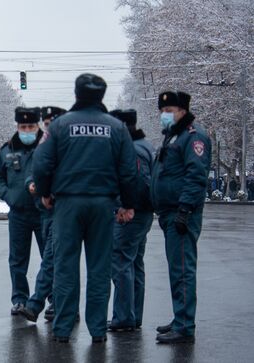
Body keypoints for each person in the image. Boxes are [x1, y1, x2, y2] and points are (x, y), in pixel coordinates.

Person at [32, 73, 137, 343]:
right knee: (99, 268)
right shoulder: (117, 127)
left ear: (76, 93)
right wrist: (127, 204)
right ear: (102, 95)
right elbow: (127, 171)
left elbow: (42, 163)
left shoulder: (59, 126)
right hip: (103, 205)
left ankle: (63, 329)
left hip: (67, 204)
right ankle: (98, 330)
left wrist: (44, 193)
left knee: (66, 267)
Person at [151, 91, 211, 344]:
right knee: (177, 269)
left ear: (182, 111)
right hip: (169, 211)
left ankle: (185, 326)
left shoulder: (193, 137)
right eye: (163, 111)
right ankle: (180, 318)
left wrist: (185, 210)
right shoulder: (174, 136)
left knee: (183, 270)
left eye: (170, 111)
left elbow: (196, 176)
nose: (165, 116)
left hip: (181, 212)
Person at [0, 107, 45, 316]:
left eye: (31, 126)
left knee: (49, 258)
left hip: (44, 213)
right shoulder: (7, 150)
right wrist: (8, 195)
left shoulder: (47, 147)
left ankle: (53, 299)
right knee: (17, 260)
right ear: (18, 127)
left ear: (37, 126)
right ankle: (20, 299)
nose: (27, 130)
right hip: (19, 213)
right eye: (23, 127)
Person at [18, 106, 68, 323]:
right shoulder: (43, 145)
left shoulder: (67, 145)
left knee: (54, 260)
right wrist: (32, 184)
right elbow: (33, 171)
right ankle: (54, 305)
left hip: (62, 210)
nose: (48, 128)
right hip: (46, 210)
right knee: (54, 260)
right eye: (46, 124)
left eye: (52, 124)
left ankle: (40, 304)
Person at [107, 109, 155, 332]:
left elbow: (138, 182)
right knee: (135, 263)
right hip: (141, 214)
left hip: (131, 215)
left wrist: (126, 206)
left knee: (121, 263)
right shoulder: (144, 145)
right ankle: (133, 315)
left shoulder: (132, 150)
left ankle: (124, 317)